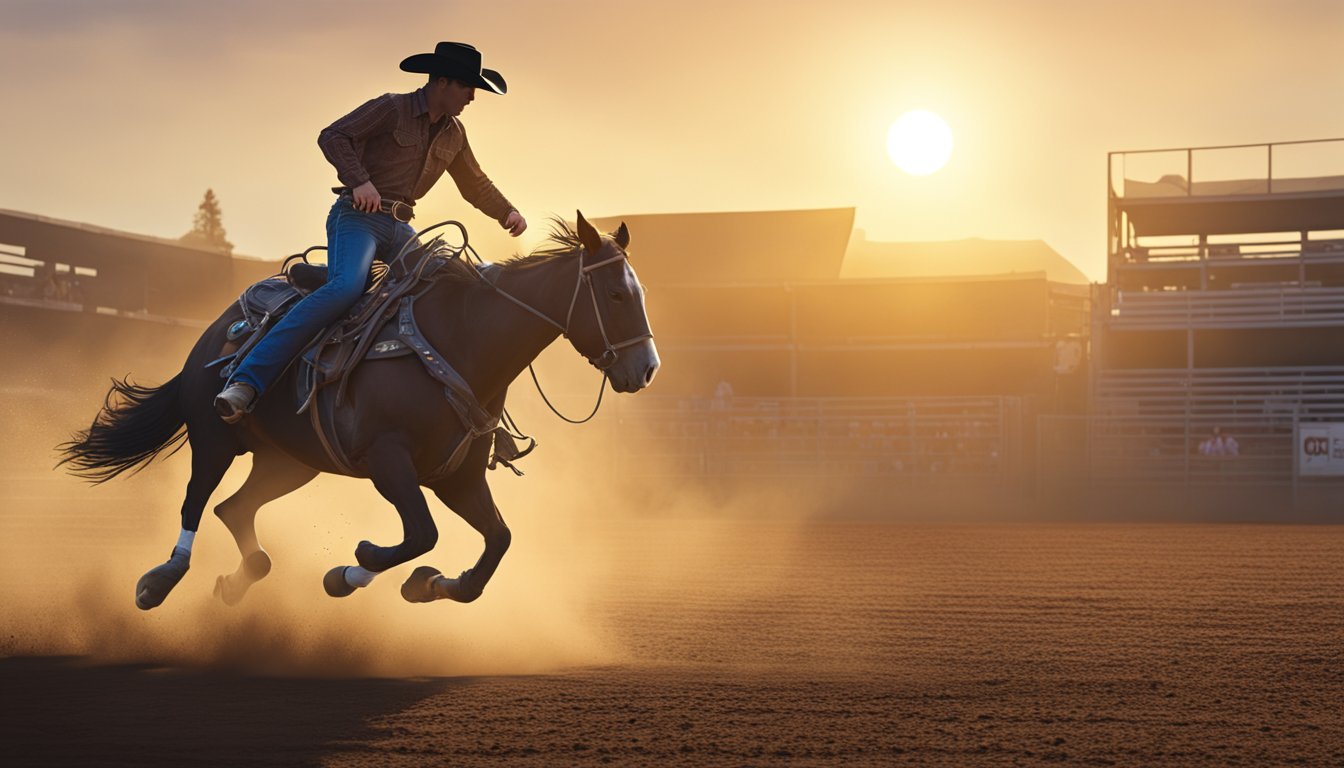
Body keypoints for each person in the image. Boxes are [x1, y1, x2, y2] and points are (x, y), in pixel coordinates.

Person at [215, 42, 527, 422]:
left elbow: (474, 183)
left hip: (400, 228)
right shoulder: (391, 108)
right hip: (357, 218)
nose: (473, 97)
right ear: (442, 82)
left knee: (454, 283)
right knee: (346, 288)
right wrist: (360, 181)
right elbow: (333, 136)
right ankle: (246, 381)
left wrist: (506, 211)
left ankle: (482, 416)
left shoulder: (454, 133)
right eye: (467, 87)